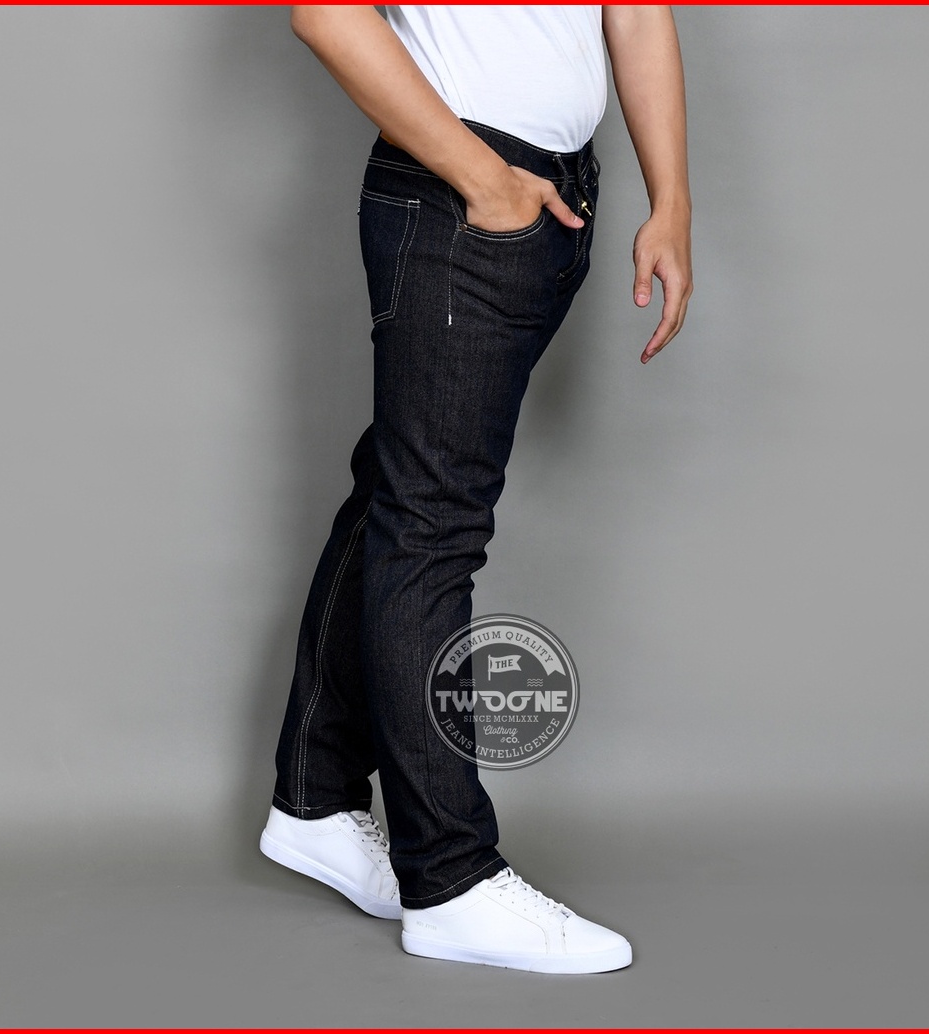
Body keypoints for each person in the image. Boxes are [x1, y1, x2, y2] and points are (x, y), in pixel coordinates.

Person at [259, 5, 692, 974]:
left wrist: (672, 198)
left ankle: (314, 799)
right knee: (429, 530)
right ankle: (449, 880)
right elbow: (323, 12)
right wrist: (482, 178)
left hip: (551, 192)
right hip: (462, 189)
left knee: (400, 495)